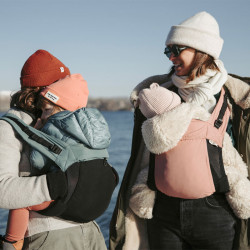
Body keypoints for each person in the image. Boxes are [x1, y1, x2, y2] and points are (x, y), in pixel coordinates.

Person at [109, 11, 250, 250]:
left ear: (201, 51)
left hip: (216, 210)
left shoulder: (234, 97)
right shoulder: (160, 95)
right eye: (168, 51)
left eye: (177, 50)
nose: (171, 57)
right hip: (164, 211)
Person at [0, 50, 107, 250]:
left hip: (90, 229)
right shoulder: (8, 128)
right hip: (49, 236)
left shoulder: (72, 121)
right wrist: (56, 184)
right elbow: (2, 189)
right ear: (45, 89)